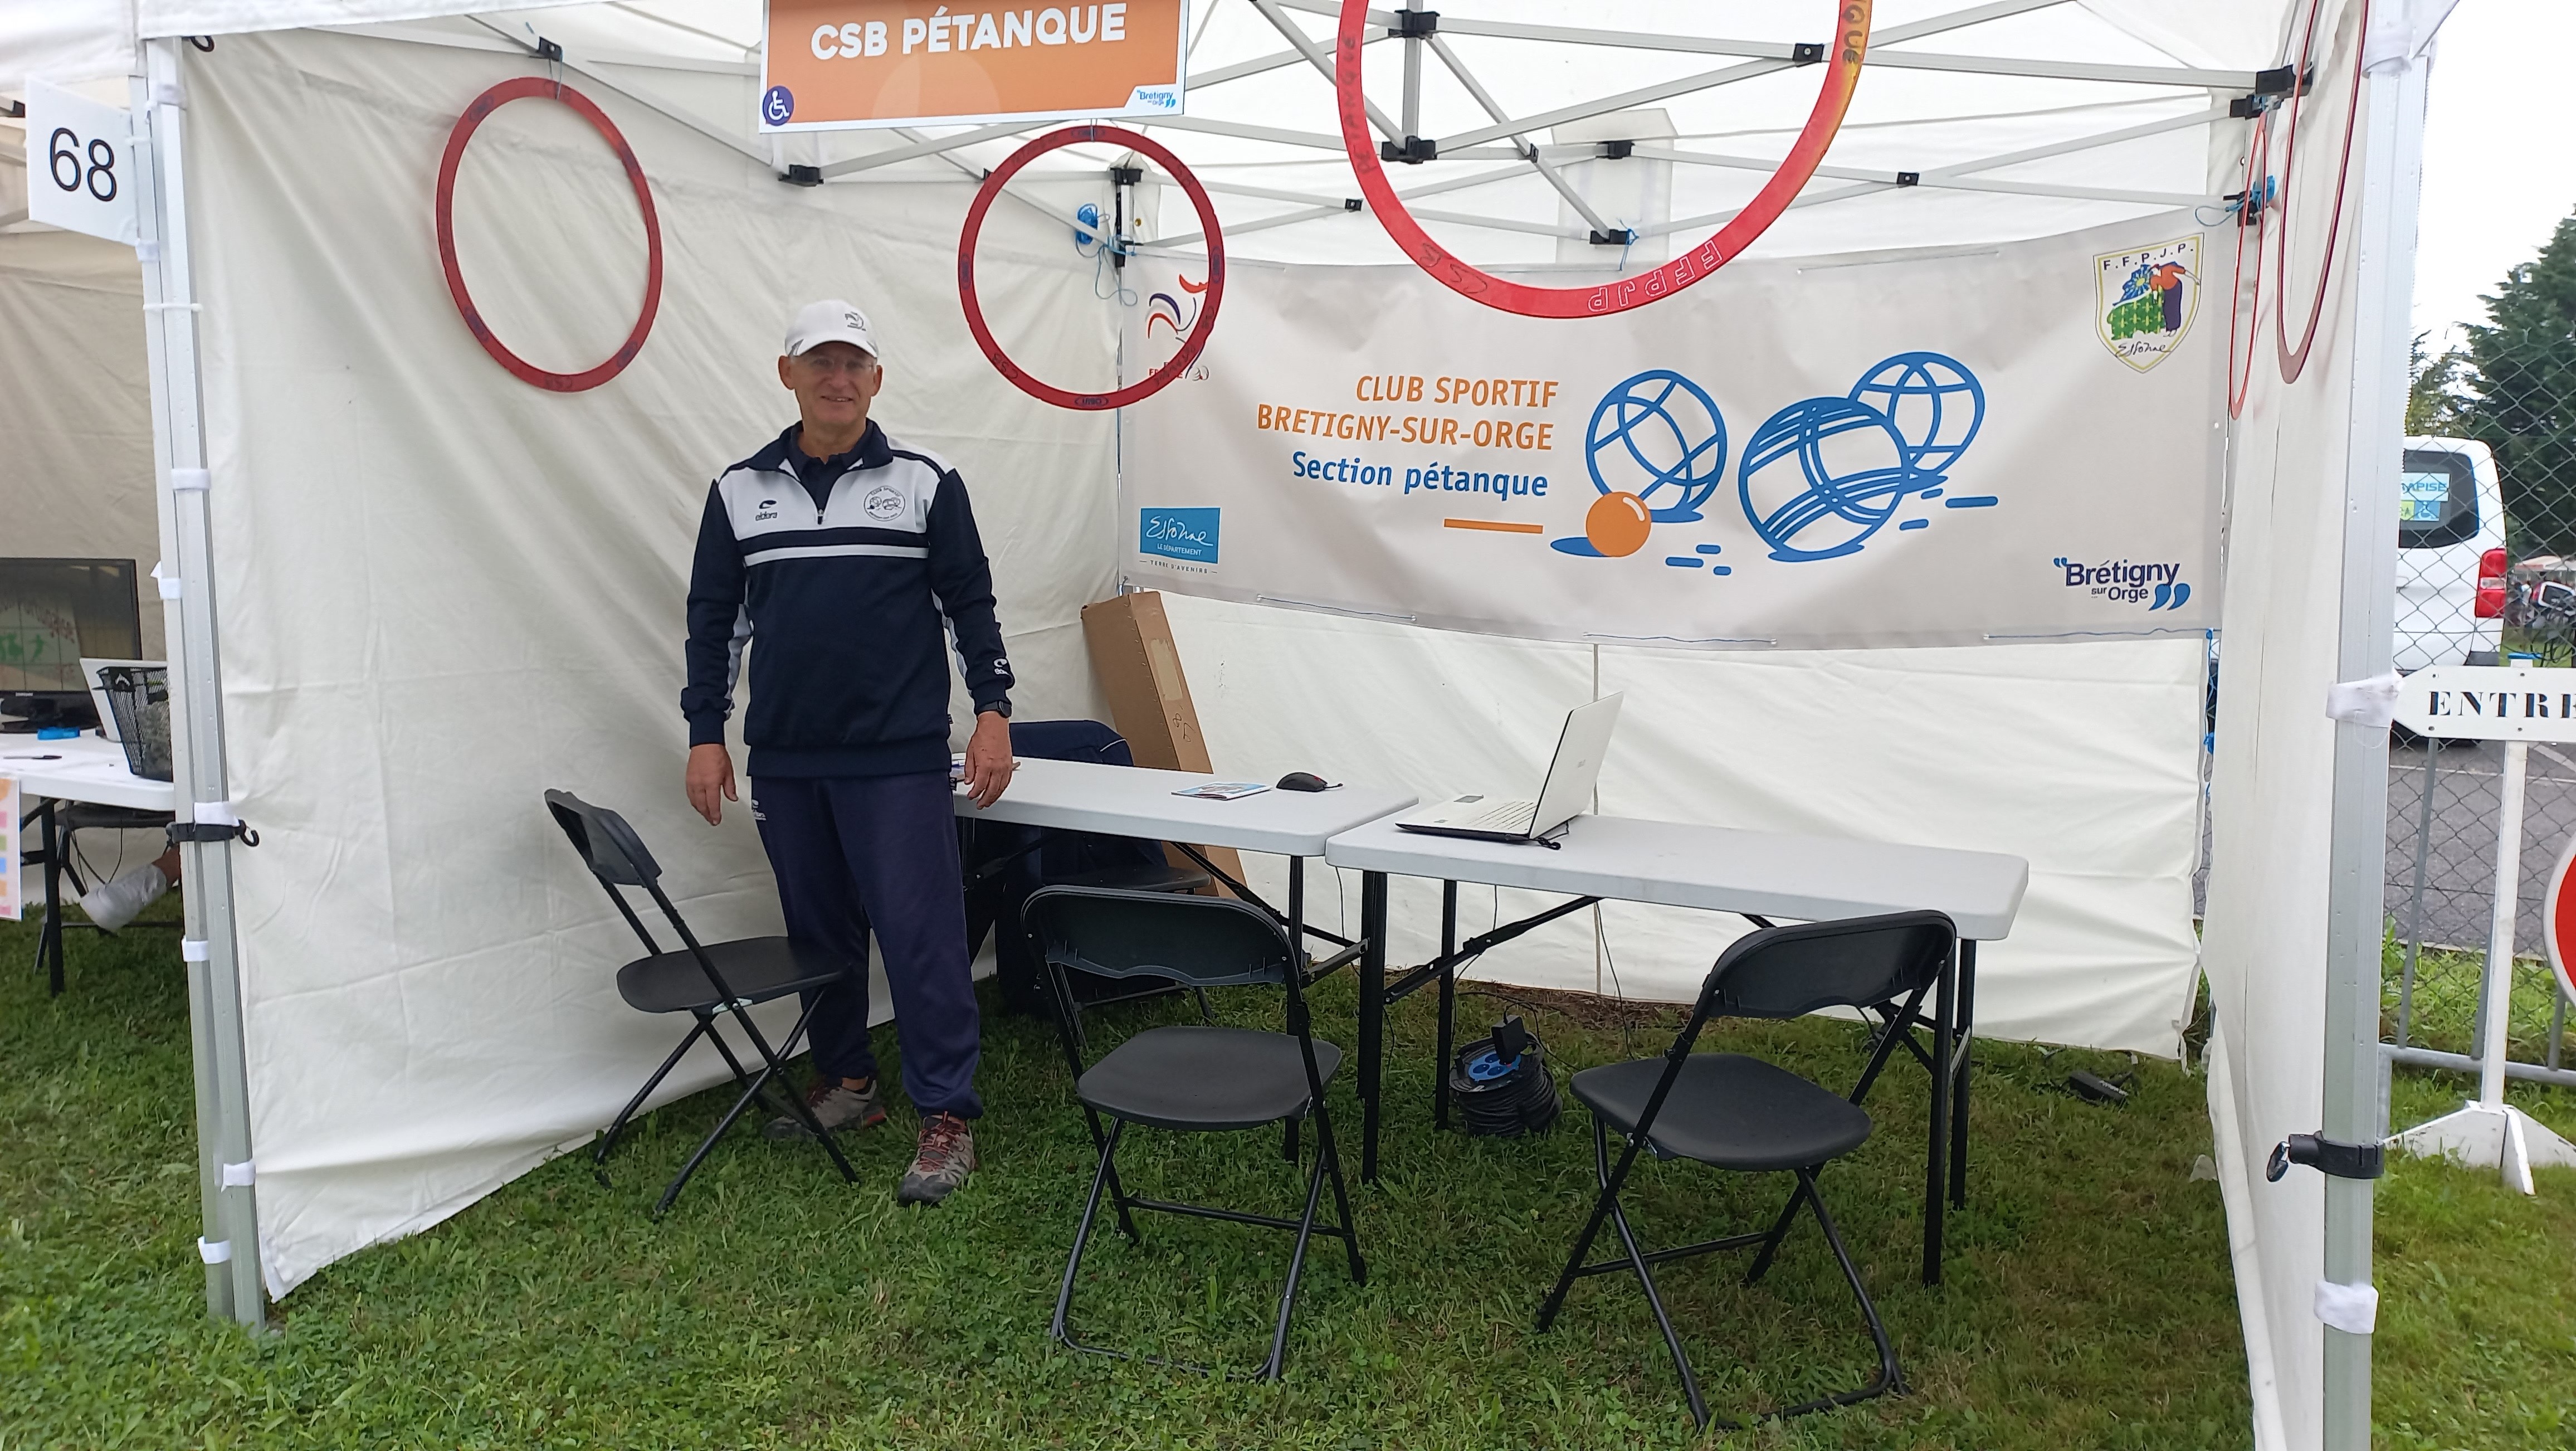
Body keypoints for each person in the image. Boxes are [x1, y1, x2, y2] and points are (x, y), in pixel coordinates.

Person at [681, 299, 1017, 1207]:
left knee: (922, 936)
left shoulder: (925, 481)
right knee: (820, 934)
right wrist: (705, 733)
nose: (837, 379)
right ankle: (848, 1083)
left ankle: (945, 1113)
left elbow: (969, 603)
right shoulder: (739, 491)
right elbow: (715, 624)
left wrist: (994, 710)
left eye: (853, 364)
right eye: (819, 363)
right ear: (786, 373)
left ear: (877, 379)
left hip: (899, 756)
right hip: (786, 760)